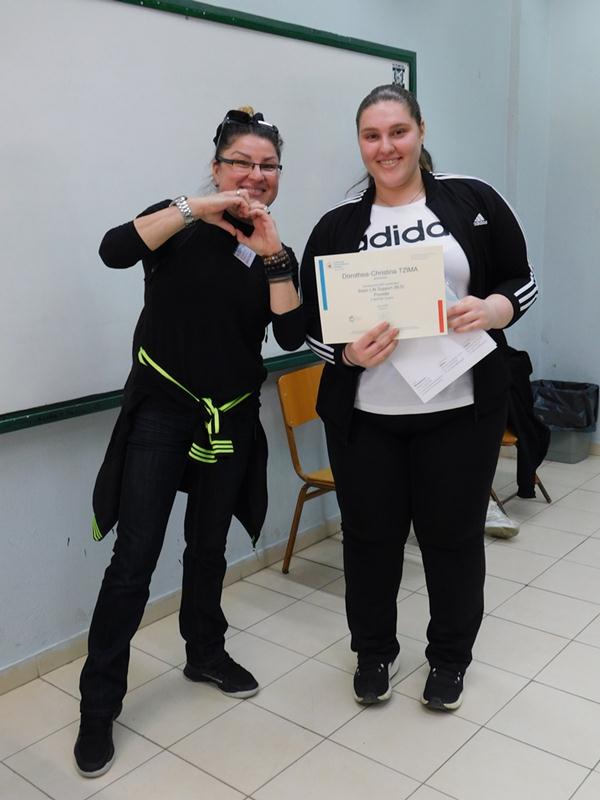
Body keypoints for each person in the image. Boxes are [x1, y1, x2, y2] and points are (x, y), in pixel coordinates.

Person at [74, 107, 304, 777]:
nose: (255, 176)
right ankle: (98, 705)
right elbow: (114, 250)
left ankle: (204, 652)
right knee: (134, 557)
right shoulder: (175, 222)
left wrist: (274, 256)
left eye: (268, 166)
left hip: (230, 416)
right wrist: (197, 207)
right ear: (216, 166)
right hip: (163, 412)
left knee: (208, 547)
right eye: (242, 163)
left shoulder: (273, 247)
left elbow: (290, 335)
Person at [301, 84, 537, 711]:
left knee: (452, 540)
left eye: (398, 132)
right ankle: (373, 652)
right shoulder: (337, 226)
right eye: (372, 136)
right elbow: (310, 327)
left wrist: (496, 308)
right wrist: (348, 355)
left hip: (459, 413)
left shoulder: (473, 200)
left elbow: (523, 279)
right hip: (366, 419)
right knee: (368, 542)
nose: (386, 147)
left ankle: (450, 658)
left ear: (421, 131)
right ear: (360, 143)